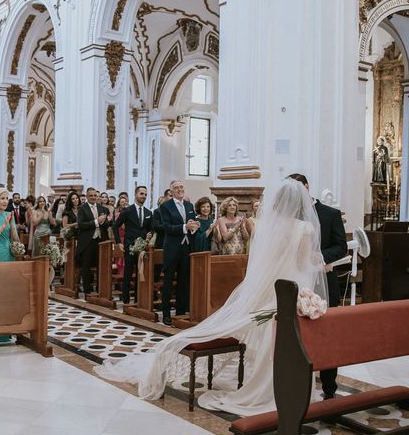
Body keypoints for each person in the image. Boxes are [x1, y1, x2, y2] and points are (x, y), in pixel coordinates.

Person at [96, 179, 329, 416]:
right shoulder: (304, 229)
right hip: (294, 287)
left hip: (273, 288)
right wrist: (319, 263)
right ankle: (284, 386)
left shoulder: (270, 227)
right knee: (283, 338)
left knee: (271, 336)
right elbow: (302, 262)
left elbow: (264, 261)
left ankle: (267, 382)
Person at [288, 173, 347, 400]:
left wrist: (318, 257)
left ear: (306, 187)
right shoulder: (291, 216)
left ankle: (329, 387)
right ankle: (298, 384)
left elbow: (341, 247)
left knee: (327, 333)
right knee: (297, 335)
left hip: (324, 282)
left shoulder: (330, 214)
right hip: (297, 282)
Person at [159, 180, 199, 325]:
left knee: (184, 280)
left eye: (181, 187)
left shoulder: (189, 205)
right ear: (171, 191)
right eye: (176, 188)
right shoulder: (165, 206)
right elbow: (167, 228)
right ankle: (166, 313)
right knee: (168, 282)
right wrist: (184, 226)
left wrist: (195, 225)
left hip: (186, 247)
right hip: (172, 248)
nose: (180, 189)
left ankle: (181, 311)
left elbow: (192, 223)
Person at [113, 186, 153, 304]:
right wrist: (118, 243)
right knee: (128, 273)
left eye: (145, 194)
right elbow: (115, 226)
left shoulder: (148, 212)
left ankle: (138, 298)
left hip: (143, 247)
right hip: (130, 246)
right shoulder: (127, 210)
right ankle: (126, 300)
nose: (144, 196)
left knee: (140, 272)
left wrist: (150, 234)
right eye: (141, 194)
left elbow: (151, 228)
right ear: (135, 195)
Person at [76, 187, 110, 294]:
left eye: (95, 195)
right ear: (86, 197)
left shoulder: (103, 209)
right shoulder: (82, 208)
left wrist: (105, 222)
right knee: (86, 266)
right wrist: (96, 222)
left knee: (101, 265)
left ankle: (100, 288)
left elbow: (108, 224)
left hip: (101, 241)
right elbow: (81, 225)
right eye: (91, 195)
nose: (93, 197)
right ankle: (87, 290)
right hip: (87, 241)